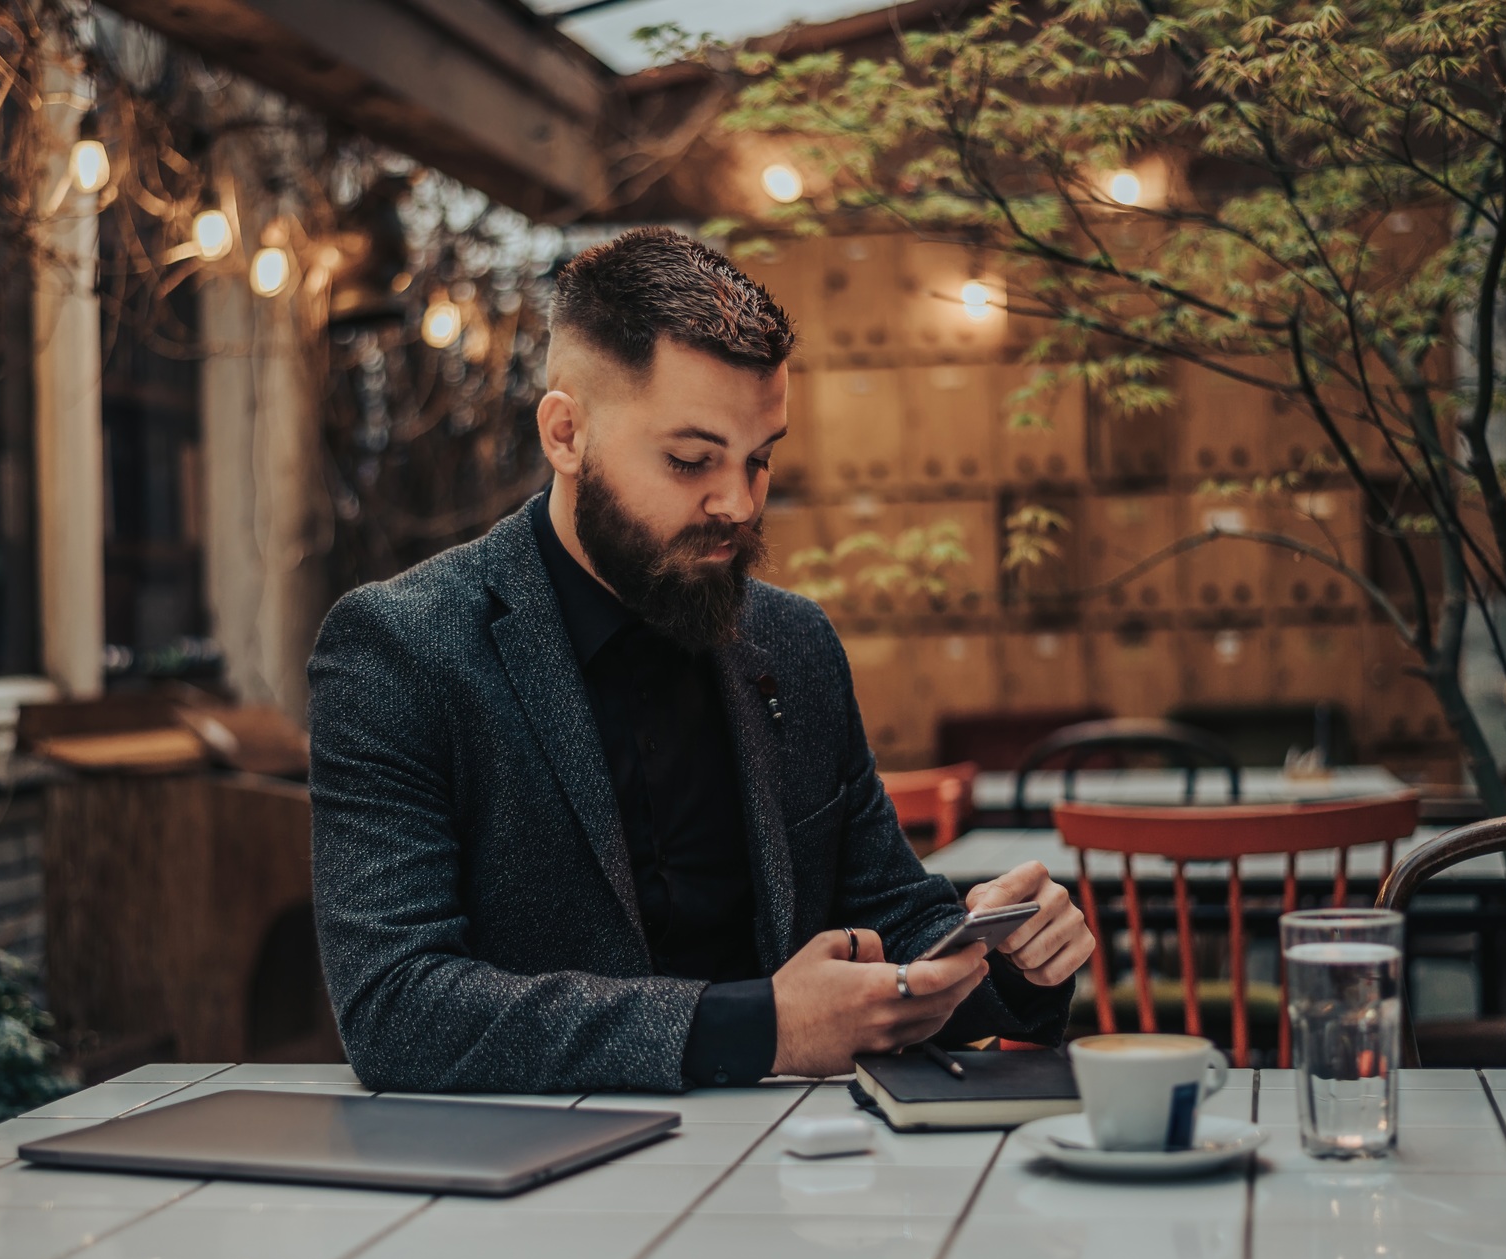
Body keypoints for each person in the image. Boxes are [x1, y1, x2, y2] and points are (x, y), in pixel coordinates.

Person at [308, 227, 1094, 1093]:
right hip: (524, 1190)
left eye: (760, 460)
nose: (737, 503)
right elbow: (396, 1009)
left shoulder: (794, 647)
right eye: (690, 460)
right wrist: (758, 1030)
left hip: (788, 1180)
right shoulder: (401, 649)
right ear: (566, 435)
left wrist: (1002, 952)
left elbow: (886, 916)